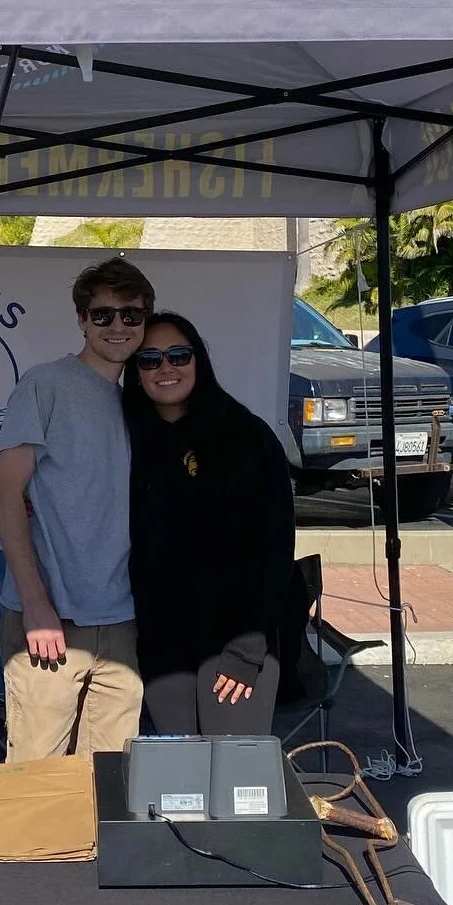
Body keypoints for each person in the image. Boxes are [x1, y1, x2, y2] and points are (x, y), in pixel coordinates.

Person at [0, 256, 155, 761]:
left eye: (131, 314)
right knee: (37, 781)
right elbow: (5, 495)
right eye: (102, 314)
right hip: (52, 618)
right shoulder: (45, 385)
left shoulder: (146, 397)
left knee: (109, 782)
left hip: (125, 620)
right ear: (81, 320)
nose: (118, 326)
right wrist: (37, 604)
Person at [122, 312, 295, 737]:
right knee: (180, 786)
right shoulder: (126, 439)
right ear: (136, 371)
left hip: (235, 645)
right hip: (161, 649)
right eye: (149, 359)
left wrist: (247, 652)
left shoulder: (246, 437)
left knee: (232, 787)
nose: (166, 368)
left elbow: (274, 549)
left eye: (179, 355)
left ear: (199, 360)